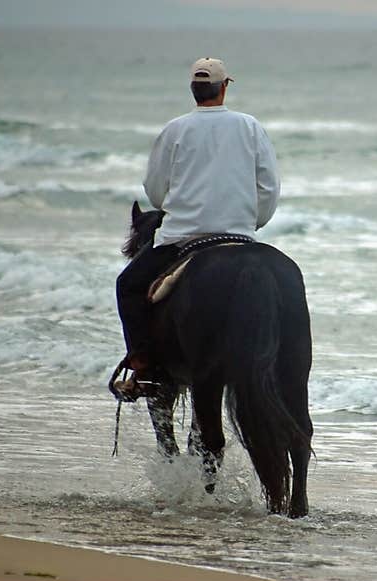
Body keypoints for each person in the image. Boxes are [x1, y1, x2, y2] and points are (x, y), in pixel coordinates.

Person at [112, 57, 280, 400]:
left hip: (181, 239)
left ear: (193, 90)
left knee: (128, 285)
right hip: (238, 236)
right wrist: (251, 222)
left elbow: (155, 189)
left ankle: (145, 369)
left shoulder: (175, 129)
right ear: (225, 87)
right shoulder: (250, 126)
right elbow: (269, 187)